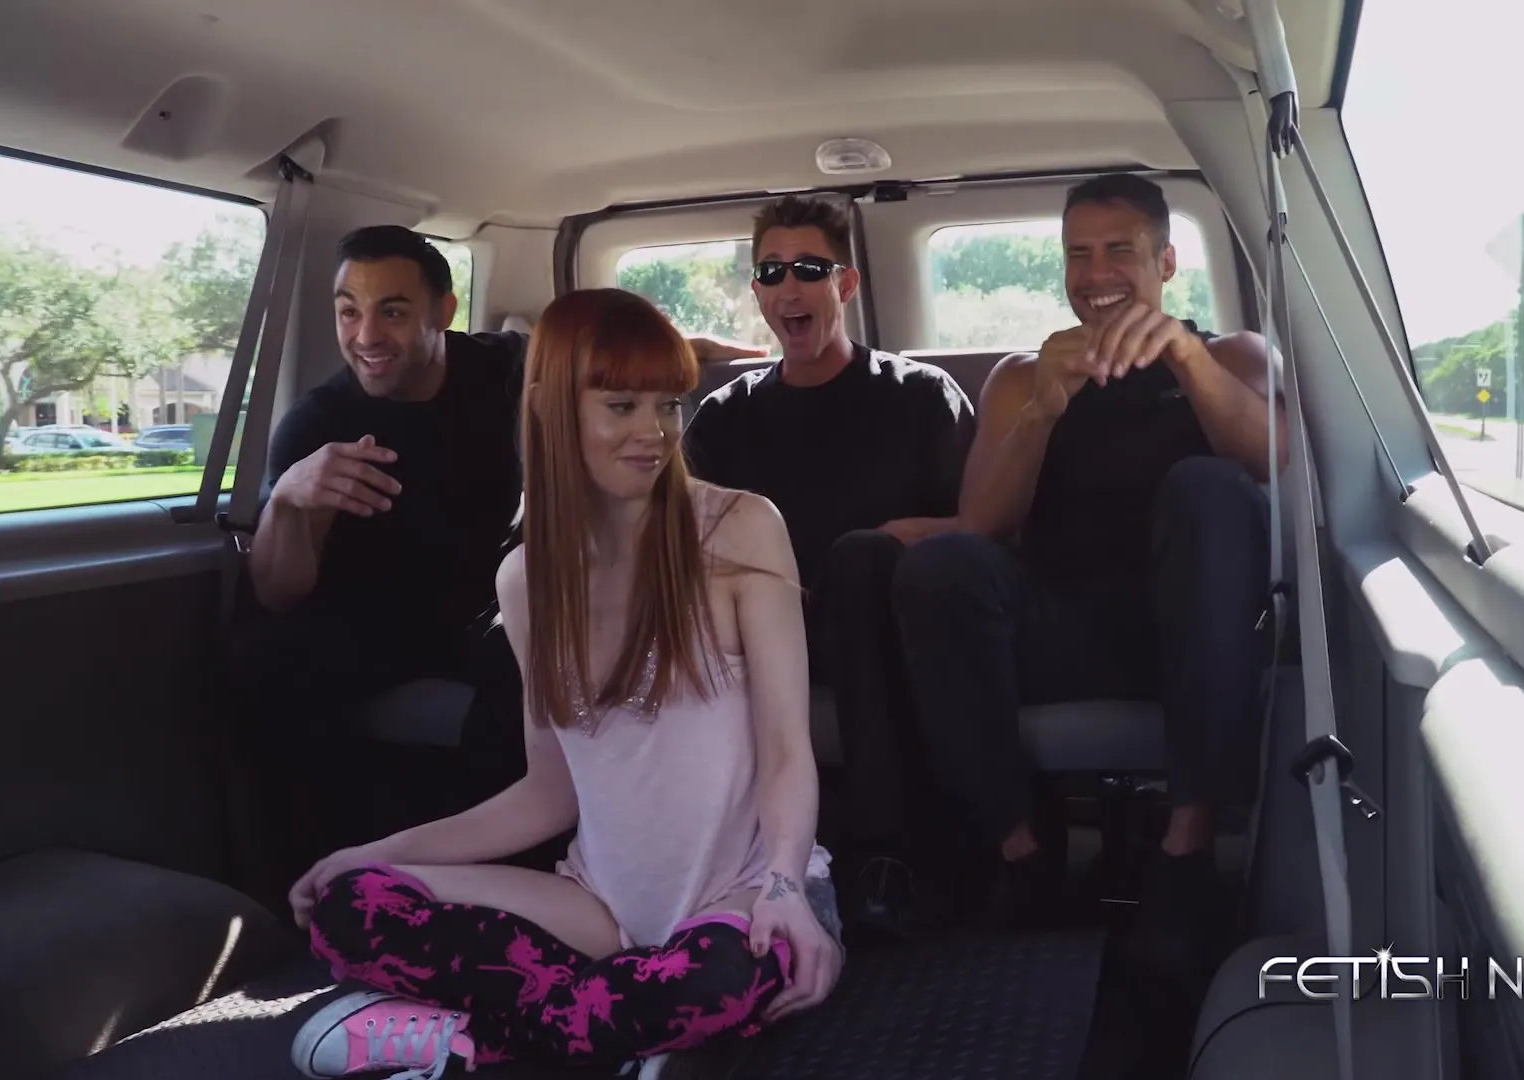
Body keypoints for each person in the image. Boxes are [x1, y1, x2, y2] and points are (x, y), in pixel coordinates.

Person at [285, 288, 842, 1077]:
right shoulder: (525, 580)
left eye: (668, 405)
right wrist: (368, 854)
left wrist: (785, 885)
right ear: (552, 409)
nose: (655, 432)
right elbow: (549, 794)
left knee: (714, 980)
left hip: (747, 893)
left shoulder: (740, 528)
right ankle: (627, 1030)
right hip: (596, 909)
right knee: (351, 905)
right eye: (621, 406)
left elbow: (786, 750)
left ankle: (475, 1038)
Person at [233, 226, 765, 887]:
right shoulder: (316, 425)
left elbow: (608, 367)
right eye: (349, 312)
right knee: (263, 659)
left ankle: (539, 871)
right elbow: (277, 592)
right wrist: (290, 501)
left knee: (529, 674)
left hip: (490, 606)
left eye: (391, 311)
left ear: (442, 311)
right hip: (374, 623)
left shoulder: (504, 367)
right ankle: (295, 886)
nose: (366, 335)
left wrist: (710, 354)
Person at [891, 174, 1283, 965]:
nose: (1096, 274)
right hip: (1061, 626)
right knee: (941, 568)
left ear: (1165, 262)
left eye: (1119, 251)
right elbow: (982, 525)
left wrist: (1185, 358)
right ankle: (1021, 855)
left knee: (1208, 487)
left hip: (1194, 634)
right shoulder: (1020, 378)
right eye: (1077, 254)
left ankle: (1186, 852)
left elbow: (1279, 463)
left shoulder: (1232, 356)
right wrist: (1045, 408)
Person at [681, 195, 976, 934]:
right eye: (771, 272)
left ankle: (887, 857)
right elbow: (686, 541)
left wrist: (911, 539)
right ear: (757, 292)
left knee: (860, 559)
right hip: (757, 632)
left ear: (844, 284)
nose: (789, 288)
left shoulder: (920, 397)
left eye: (809, 270)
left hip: (890, 629)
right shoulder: (723, 416)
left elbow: (978, 532)